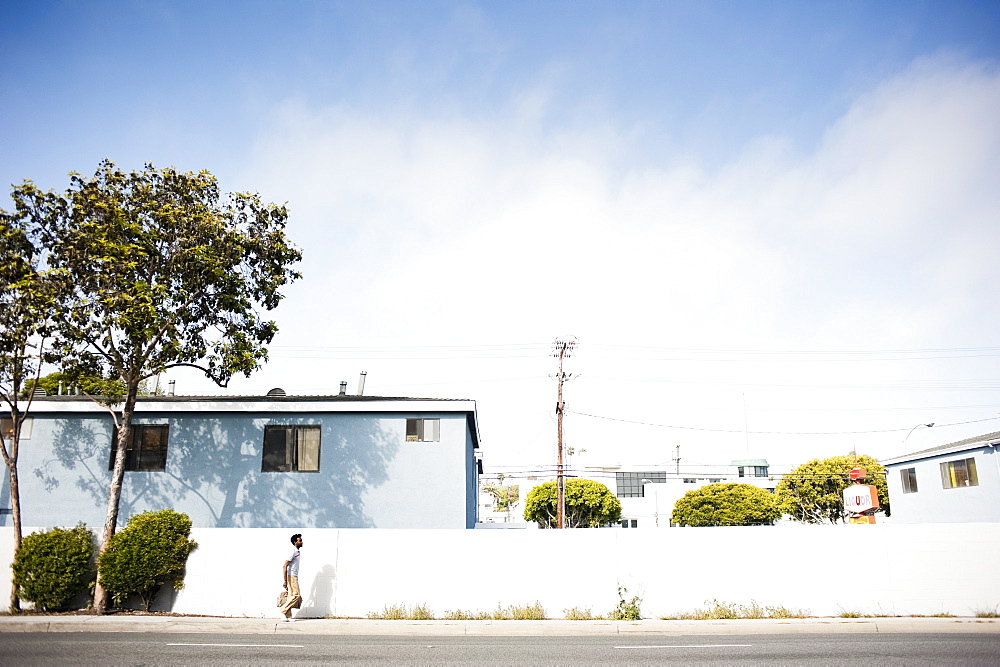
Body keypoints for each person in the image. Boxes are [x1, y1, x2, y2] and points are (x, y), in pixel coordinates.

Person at [279, 533, 303, 620]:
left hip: (293, 576)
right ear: (295, 542)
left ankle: (288, 616)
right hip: (292, 576)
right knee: (296, 595)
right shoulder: (292, 551)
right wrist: (285, 580)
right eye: (300, 541)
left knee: (291, 596)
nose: (301, 542)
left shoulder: (296, 551)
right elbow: (285, 565)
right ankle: (283, 610)